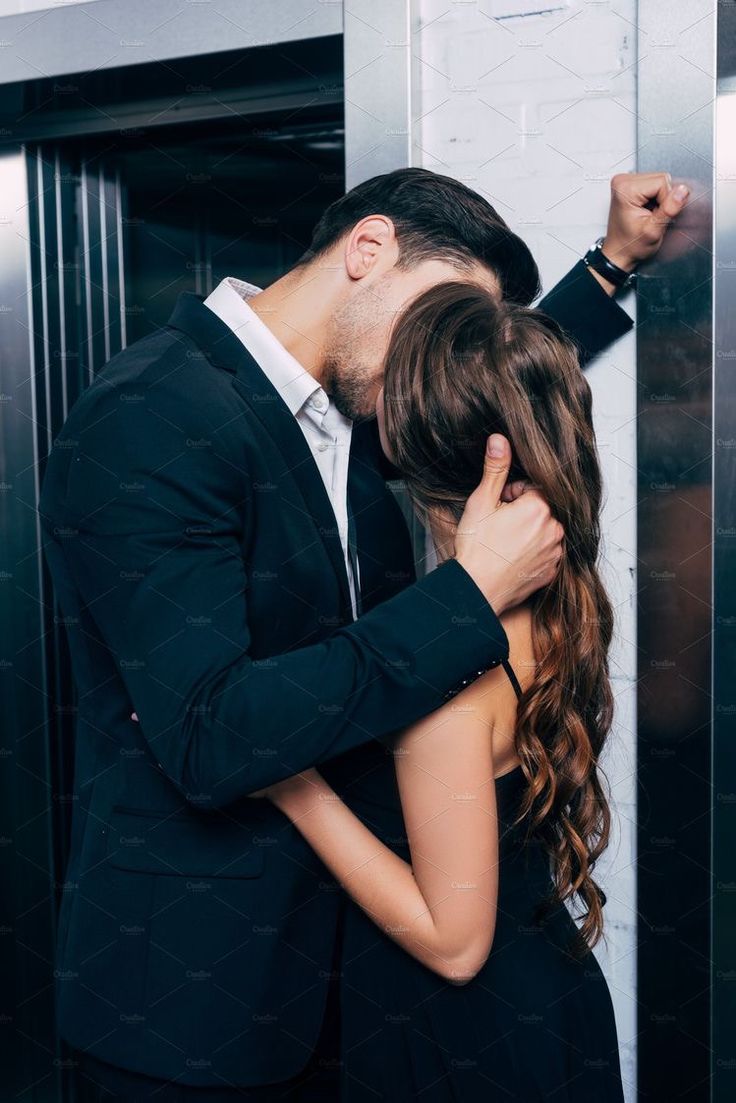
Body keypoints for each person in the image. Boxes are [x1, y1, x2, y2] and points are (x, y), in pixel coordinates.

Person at [38, 167, 685, 1100]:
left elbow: (484, 404)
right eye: (439, 317)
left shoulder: (355, 404)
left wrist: (611, 265)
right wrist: (466, 594)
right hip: (192, 1008)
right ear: (368, 249)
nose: (435, 354)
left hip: (347, 986)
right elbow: (208, 733)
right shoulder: (151, 416)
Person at [256, 281, 625, 1101]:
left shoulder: (447, 678)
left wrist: (290, 780)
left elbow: (454, 941)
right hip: (548, 999)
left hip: (466, 1038)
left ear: (406, 436)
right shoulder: (565, 597)